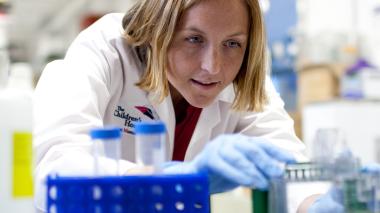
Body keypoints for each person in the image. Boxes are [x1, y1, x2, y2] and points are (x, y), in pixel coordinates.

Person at [33, 0, 309, 211]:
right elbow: (55, 166)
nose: (213, 67)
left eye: (232, 43)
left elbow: (291, 168)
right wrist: (167, 181)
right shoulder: (106, 53)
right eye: (194, 39)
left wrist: (316, 203)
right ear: (157, 28)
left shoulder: (243, 80)